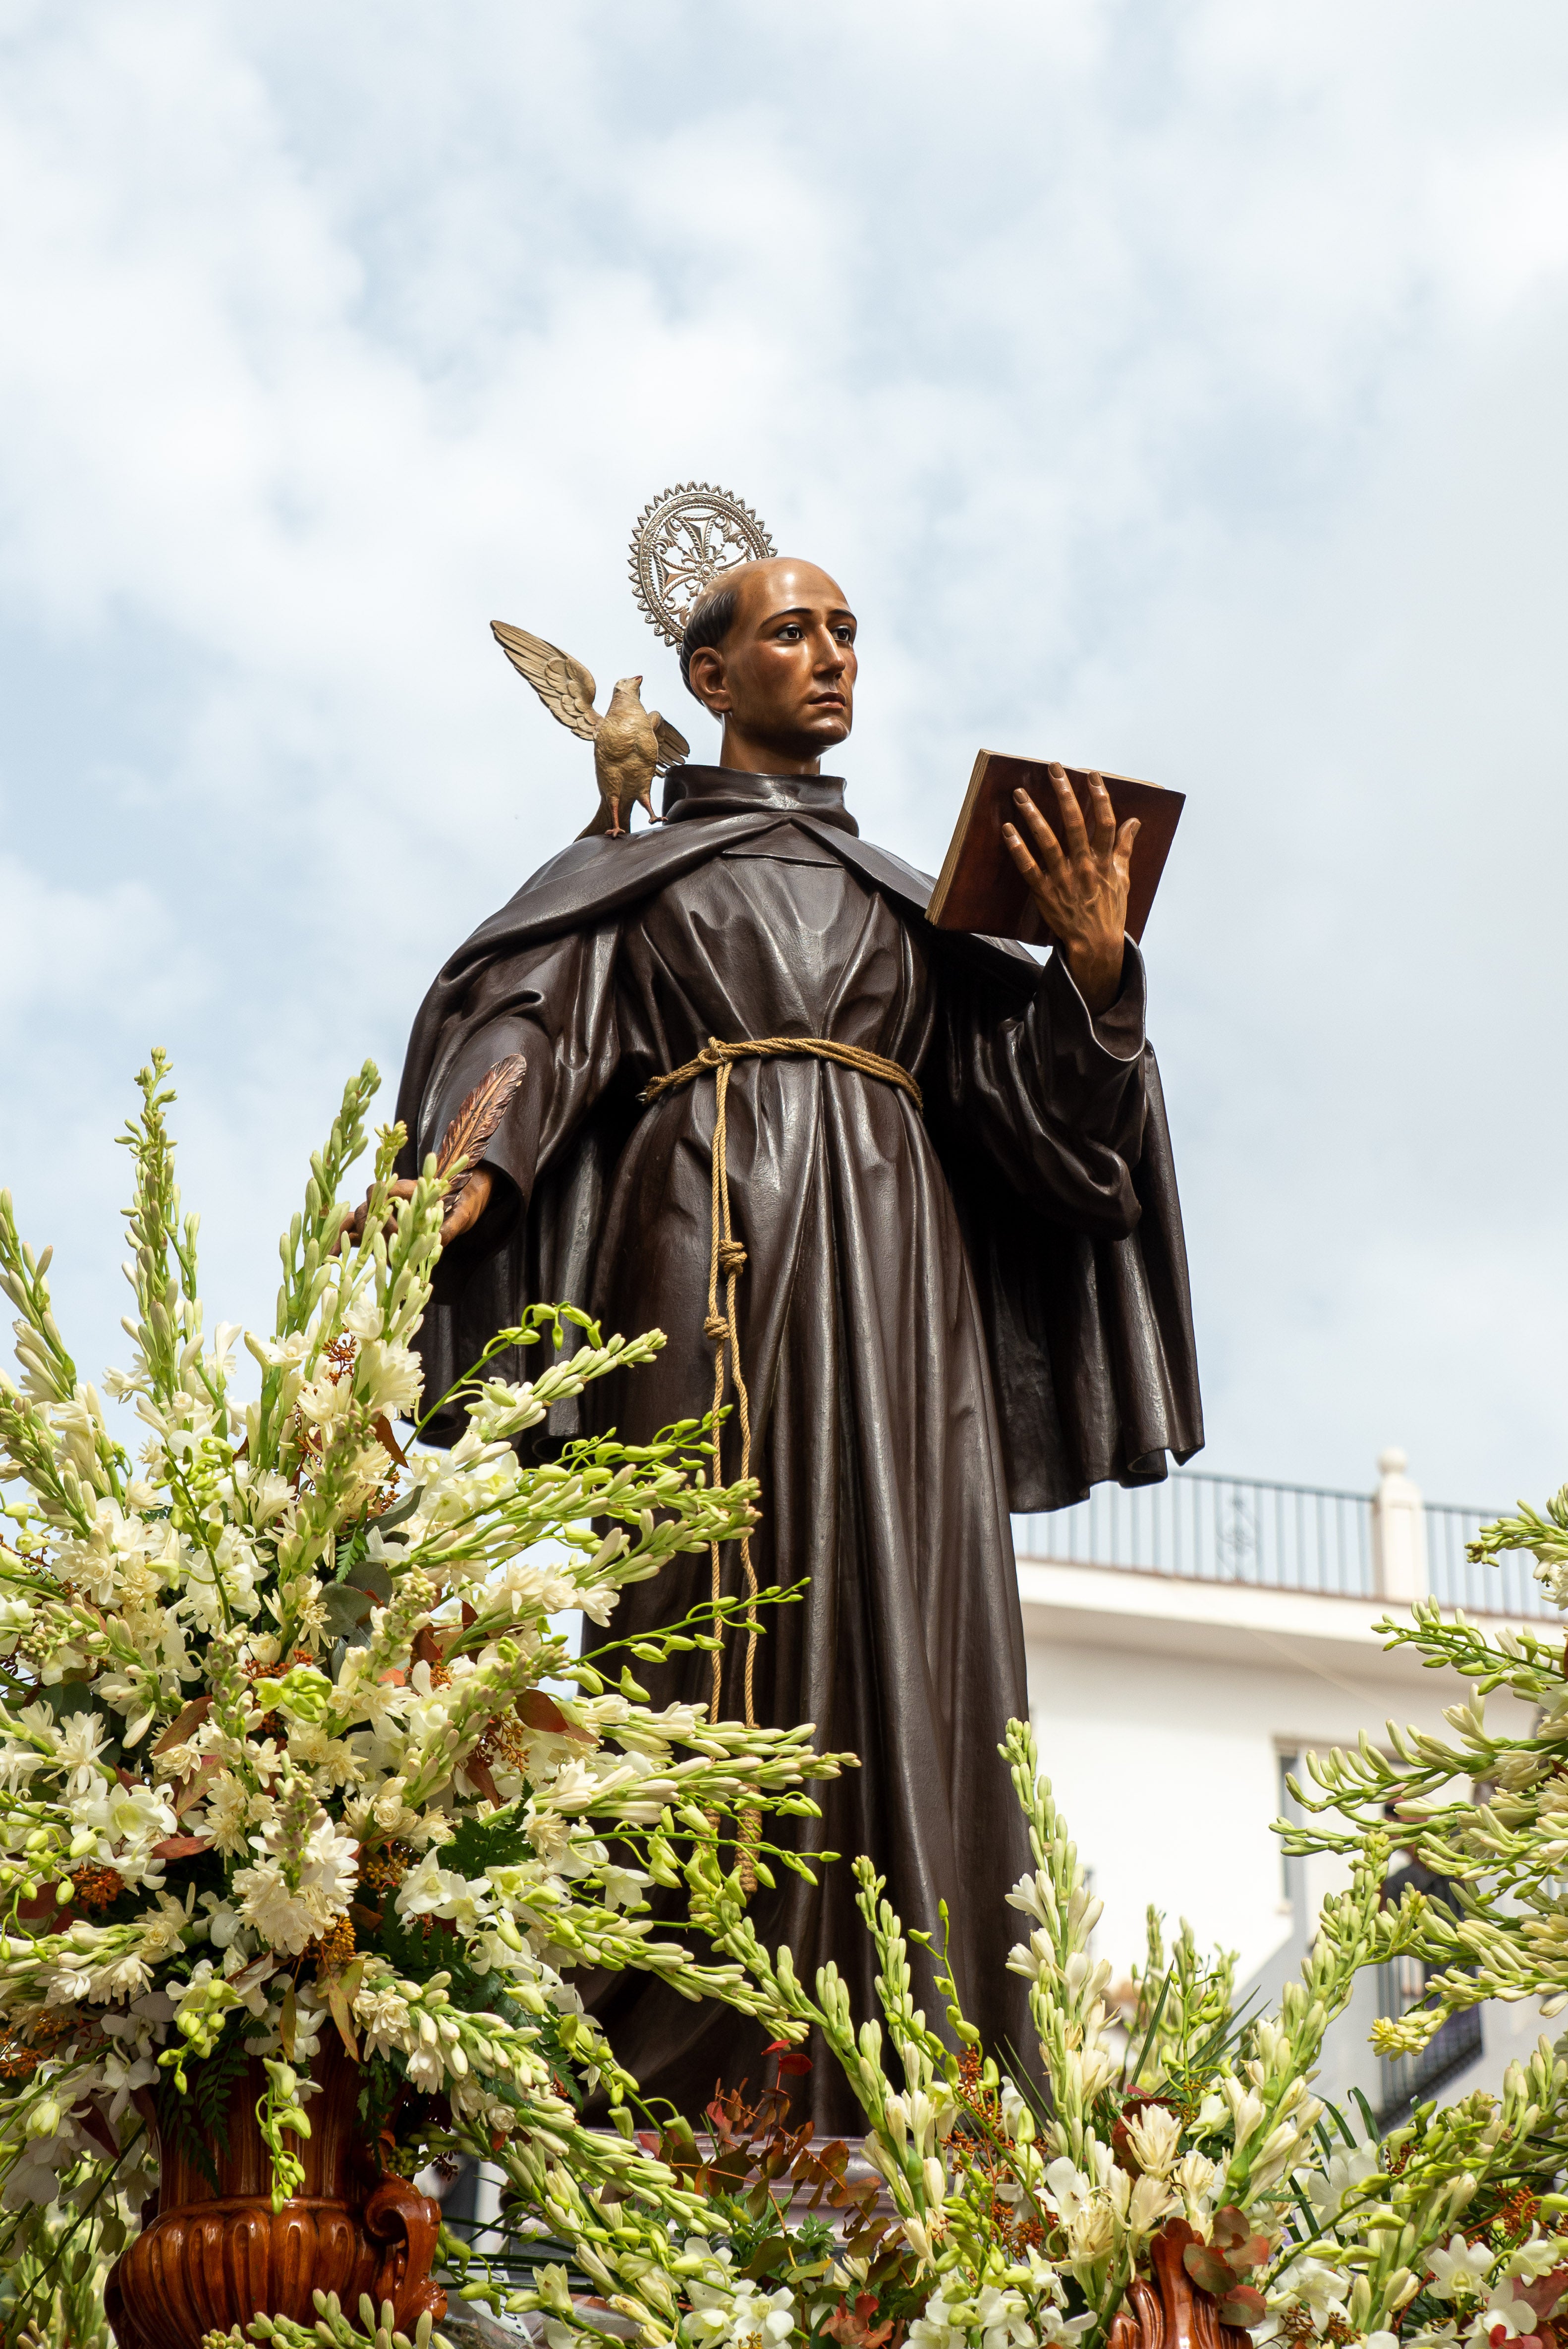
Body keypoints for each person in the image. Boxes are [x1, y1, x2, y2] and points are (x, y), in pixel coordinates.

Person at [379, 558, 1202, 2130]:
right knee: (701, 1611)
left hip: (903, 1300)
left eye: (843, 634)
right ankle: (698, 2073)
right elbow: (529, 1023)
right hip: (693, 1270)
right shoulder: (639, 878)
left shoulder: (913, 902)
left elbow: (1050, 1130)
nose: (828, 658)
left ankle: (918, 2058)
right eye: (788, 632)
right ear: (707, 675)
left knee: (914, 1627)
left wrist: (1091, 979)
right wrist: (465, 1171)